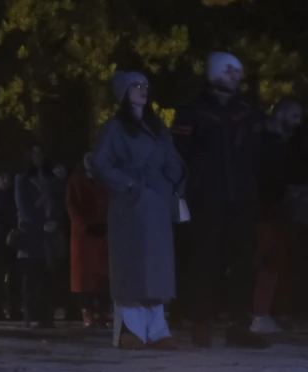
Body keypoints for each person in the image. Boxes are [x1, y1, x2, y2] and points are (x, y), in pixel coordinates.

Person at [171, 52, 269, 348]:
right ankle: (201, 323)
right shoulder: (193, 111)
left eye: (238, 71)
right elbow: (178, 154)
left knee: (242, 262)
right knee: (204, 261)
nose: (235, 76)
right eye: (228, 70)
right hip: (205, 199)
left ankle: (239, 325)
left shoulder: (248, 113)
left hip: (241, 198)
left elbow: (260, 154)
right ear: (213, 72)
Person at [92, 72, 186, 350]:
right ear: (123, 92)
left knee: (157, 266)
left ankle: (157, 329)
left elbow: (172, 158)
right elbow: (101, 163)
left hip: (156, 203)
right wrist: (129, 183)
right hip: (131, 206)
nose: (142, 90)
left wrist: (174, 178)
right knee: (131, 266)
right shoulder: (114, 128)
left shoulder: (158, 127)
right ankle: (131, 329)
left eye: (146, 85)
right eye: (136, 85)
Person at [251, 97, 303, 334]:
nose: (297, 122)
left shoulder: (283, 142)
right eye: (294, 116)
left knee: (277, 261)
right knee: (268, 261)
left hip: (278, 209)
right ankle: (259, 314)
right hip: (265, 209)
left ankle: (267, 312)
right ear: (281, 114)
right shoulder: (267, 142)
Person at [14, 143, 66, 328]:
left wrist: (53, 221)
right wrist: (40, 224)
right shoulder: (22, 179)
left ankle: (47, 315)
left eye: (40, 154)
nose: (37, 157)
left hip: (49, 233)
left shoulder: (52, 179)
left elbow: (60, 202)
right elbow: (23, 207)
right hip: (31, 232)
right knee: (31, 278)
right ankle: (32, 314)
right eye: (34, 154)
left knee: (48, 276)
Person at [66, 153, 111, 328]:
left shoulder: (106, 180)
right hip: (84, 236)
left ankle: (103, 312)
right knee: (84, 277)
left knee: (104, 276)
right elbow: (72, 206)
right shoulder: (76, 181)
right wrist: (86, 226)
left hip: (103, 233)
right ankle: (87, 311)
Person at [0, 172, 21, 322]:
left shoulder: (15, 195)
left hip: (12, 239)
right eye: (0, 176)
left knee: (14, 276)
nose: (4, 179)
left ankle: (14, 308)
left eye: (7, 176)